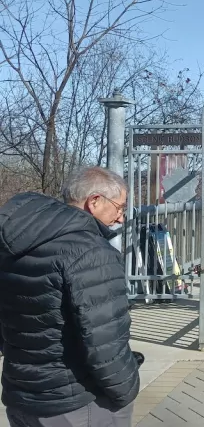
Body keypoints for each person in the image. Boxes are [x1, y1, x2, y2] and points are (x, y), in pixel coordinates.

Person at [0, 167, 141, 427]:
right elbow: (105, 342)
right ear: (94, 201)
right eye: (119, 207)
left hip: (20, 395)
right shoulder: (91, 253)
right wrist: (127, 390)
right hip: (75, 403)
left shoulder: (14, 243)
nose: (121, 218)